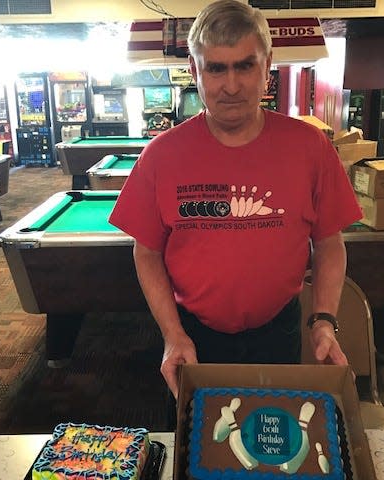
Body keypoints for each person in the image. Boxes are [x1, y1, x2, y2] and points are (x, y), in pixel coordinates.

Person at [109, 0, 362, 403]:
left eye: (245, 66)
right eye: (216, 68)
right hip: (193, 333)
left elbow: (330, 242)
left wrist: (324, 320)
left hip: (279, 331)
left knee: (273, 443)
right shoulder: (161, 154)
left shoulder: (310, 147)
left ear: (267, 66)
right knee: (201, 447)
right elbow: (146, 251)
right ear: (195, 71)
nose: (231, 85)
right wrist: (173, 334)